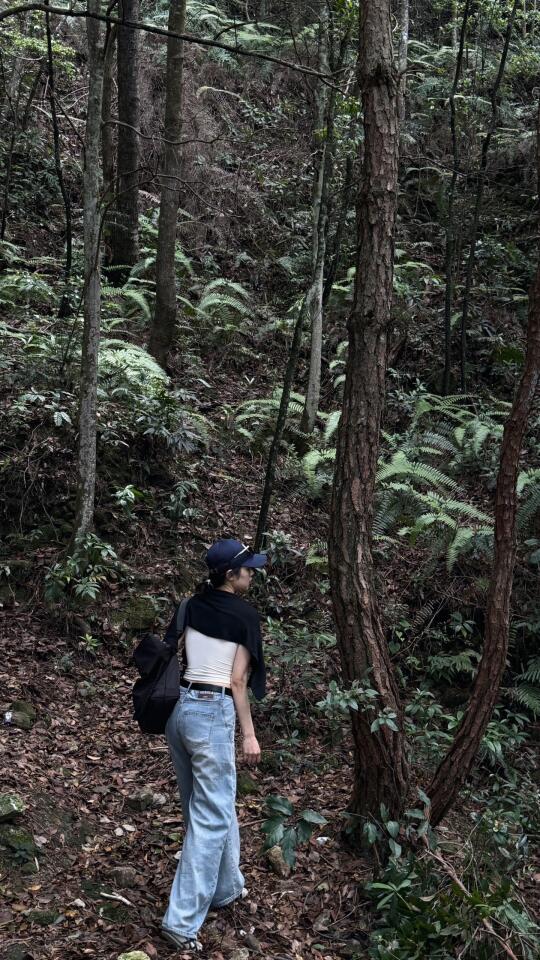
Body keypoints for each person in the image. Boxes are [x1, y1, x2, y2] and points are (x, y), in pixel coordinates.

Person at [160, 538, 267, 952]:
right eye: (248, 568)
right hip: (211, 714)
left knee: (206, 807)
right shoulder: (245, 616)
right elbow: (237, 681)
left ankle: (225, 887)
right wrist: (249, 734)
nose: (252, 573)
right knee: (212, 815)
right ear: (230, 575)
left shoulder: (189, 605)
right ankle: (181, 922)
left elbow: (179, 653)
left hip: (180, 711)